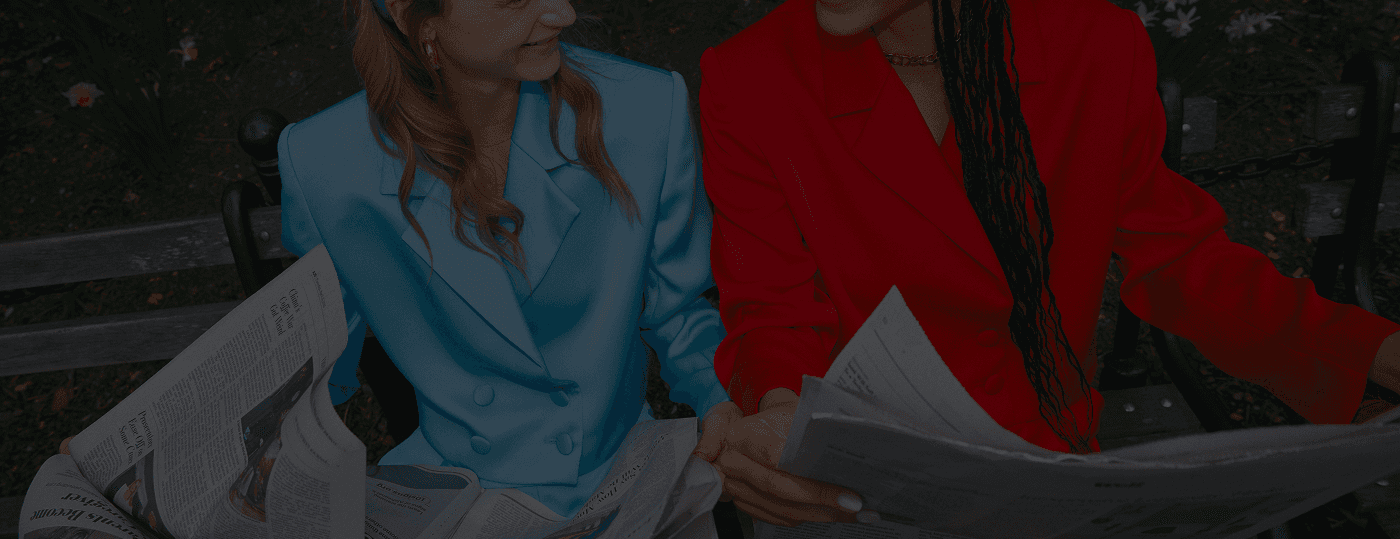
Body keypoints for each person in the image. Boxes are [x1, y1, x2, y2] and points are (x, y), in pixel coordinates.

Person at [690, 0, 1400, 529]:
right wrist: (781, 407)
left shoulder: (1094, 40)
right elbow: (770, 309)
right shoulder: (748, 76)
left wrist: (1372, 350)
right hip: (856, 483)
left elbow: (1183, 263)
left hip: (1054, 465)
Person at [274, 0, 736, 522]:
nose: (563, 13)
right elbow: (311, 374)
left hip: (623, 476)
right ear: (417, 20)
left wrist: (723, 400)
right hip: (453, 493)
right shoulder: (325, 163)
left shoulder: (644, 108)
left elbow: (679, 310)